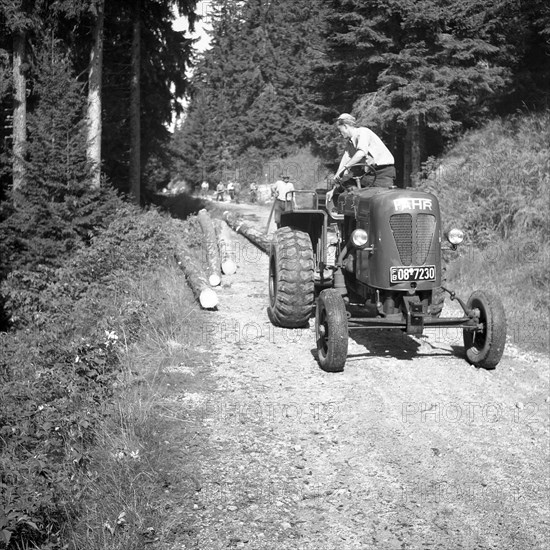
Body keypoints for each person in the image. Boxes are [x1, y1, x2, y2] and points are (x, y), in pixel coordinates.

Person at [326, 113, 396, 207]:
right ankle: (354, 213)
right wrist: (334, 189)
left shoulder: (363, 132)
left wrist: (346, 167)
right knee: (347, 185)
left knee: (381, 202)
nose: (339, 133)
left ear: (346, 126)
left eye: (340, 130)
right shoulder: (350, 144)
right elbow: (342, 167)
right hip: (368, 174)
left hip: (382, 173)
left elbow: (361, 152)